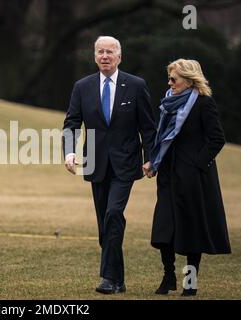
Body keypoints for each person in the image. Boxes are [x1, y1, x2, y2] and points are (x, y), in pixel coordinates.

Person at [62, 36, 156, 294]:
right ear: (95, 57)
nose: (105, 56)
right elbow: (71, 123)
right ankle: (119, 279)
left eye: (110, 52)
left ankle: (107, 278)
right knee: (105, 224)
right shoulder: (82, 87)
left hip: (126, 163)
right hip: (95, 162)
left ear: (119, 57)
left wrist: (151, 157)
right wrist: (69, 152)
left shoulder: (136, 86)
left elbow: (148, 126)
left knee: (114, 213)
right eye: (101, 52)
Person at [147, 58, 231, 296]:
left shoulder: (204, 103)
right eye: (169, 78)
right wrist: (154, 161)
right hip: (168, 175)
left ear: (188, 79)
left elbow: (217, 139)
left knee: (192, 231)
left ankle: (190, 282)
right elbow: (162, 138)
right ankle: (168, 277)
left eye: (174, 78)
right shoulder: (167, 103)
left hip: (194, 179)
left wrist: (196, 164)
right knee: (164, 230)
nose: (170, 82)